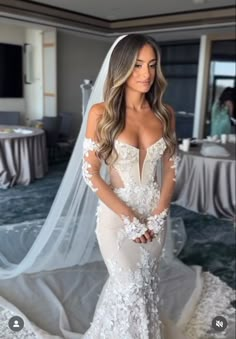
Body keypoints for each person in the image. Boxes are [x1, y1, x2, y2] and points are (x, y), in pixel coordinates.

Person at [0, 34, 235, 339]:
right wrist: (129, 219)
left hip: (155, 217)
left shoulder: (165, 114)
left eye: (152, 65)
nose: (146, 73)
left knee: (147, 285)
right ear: (122, 67)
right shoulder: (102, 113)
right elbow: (92, 173)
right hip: (116, 218)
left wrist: (161, 212)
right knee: (130, 286)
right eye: (137, 65)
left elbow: (170, 169)